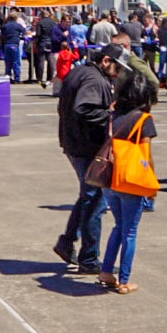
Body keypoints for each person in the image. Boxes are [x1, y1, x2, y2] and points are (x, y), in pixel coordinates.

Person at [54, 45, 119, 274]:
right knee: (95, 200)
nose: (117, 73)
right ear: (106, 60)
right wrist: (110, 113)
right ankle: (89, 258)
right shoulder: (94, 80)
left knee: (88, 196)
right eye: (117, 67)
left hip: (74, 143)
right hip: (84, 147)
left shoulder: (81, 71)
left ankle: (68, 240)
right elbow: (83, 108)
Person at [99, 67, 157, 290]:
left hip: (110, 178)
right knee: (130, 231)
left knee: (118, 226)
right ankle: (124, 280)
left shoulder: (113, 116)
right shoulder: (144, 120)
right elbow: (146, 156)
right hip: (130, 180)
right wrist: (152, 185)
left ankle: (106, 271)